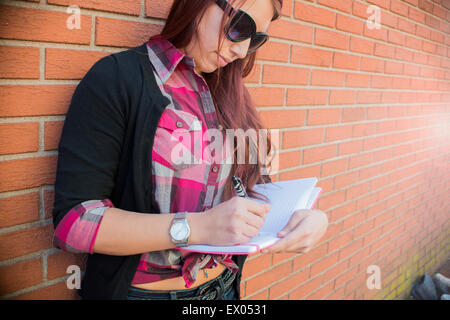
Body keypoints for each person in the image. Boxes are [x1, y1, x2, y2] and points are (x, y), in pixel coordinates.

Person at [51, 0, 328, 300]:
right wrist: (195, 228)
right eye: (240, 27)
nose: (242, 50)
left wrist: (303, 217)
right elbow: (74, 222)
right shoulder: (118, 78)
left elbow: (254, 187)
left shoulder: (234, 96)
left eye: (256, 39)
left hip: (224, 287)